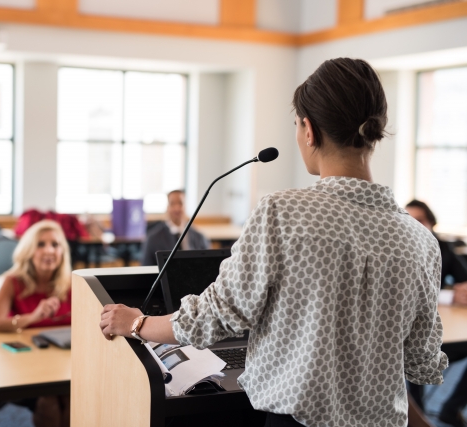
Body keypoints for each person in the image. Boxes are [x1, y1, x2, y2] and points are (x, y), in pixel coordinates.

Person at [99, 58, 448, 427]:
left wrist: (137, 323)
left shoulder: (284, 212)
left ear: (309, 130)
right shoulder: (420, 240)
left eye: (297, 126)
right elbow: (422, 363)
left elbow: (215, 316)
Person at [0, 220, 71, 427]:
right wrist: (32, 317)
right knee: (49, 403)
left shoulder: (71, 283)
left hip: (65, 365)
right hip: (26, 368)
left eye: (55, 244)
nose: (49, 250)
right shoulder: (14, 281)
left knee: (72, 399)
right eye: (41, 244)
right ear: (29, 250)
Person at [405, 200, 467, 427]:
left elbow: (464, 279)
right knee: (416, 349)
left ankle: (450, 408)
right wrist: (448, 296)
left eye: (420, 220)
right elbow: (408, 293)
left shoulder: (441, 247)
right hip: (411, 331)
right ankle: (417, 414)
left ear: (431, 223)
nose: (414, 225)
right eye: (408, 218)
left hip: (443, 330)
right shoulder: (396, 246)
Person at [141, 190, 209, 266]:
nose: (177, 208)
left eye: (180, 203)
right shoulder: (153, 239)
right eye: (172, 204)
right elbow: (146, 269)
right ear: (167, 207)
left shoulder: (199, 237)